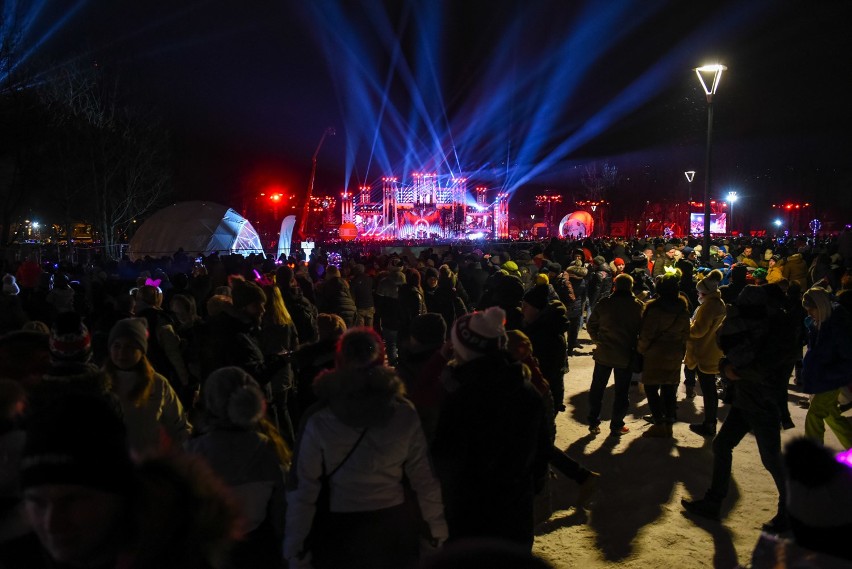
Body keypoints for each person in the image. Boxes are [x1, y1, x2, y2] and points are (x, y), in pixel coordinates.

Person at [285, 327, 447, 569]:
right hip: (393, 524)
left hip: (339, 526)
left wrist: (296, 545)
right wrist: (435, 531)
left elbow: (303, 487)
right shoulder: (402, 412)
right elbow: (424, 478)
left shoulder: (320, 417)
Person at [682, 284, 801, 534]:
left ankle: (791, 512)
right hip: (747, 398)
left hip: (762, 401)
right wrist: (729, 368)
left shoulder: (777, 330)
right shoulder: (769, 325)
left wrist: (731, 370)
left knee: (770, 458)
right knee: (722, 445)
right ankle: (714, 502)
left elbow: (767, 367)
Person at [431, 307, 549, 550]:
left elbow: (446, 462)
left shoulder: (460, 397)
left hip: (469, 517)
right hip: (514, 514)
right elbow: (540, 453)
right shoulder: (526, 391)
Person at [187, 367, 289, 568]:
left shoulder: (194, 451)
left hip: (212, 552)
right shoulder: (269, 448)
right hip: (258, 550)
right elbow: (281, 511)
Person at [104, 317, 192, 454]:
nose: (121, 353)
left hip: (148, 465)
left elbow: (179, 425)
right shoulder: (99, 383)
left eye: (129, 347)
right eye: (117, 346)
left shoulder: (157, 383)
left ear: (142, 351)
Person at [585, 273, 644, 435]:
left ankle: (593, 421)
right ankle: (617, 425)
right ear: (630, 287)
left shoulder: (605, 303)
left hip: (604, 352)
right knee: (621, 392)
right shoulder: (637, 306)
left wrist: (598, 340)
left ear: (615, 286)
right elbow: (642, 331)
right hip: (625, 353)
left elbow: (591, 325)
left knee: (597, 388)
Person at [639, 272, 690, 437]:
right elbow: (685, 334)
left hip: (655, 352)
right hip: (674, 351)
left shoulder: (654, 308)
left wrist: (641, 350)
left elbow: (647, 333)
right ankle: (668, 422)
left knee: (651, 387)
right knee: (669, 388)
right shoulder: (683, 309)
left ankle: (658, 421)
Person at [800, 287, 852, 448]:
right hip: (825, 377)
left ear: (820, 306)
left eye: (811, 309)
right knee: (831, 415)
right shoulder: (821, 323)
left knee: (814, 416)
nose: (809, 314)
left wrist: (832, 374)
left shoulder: (837, 323)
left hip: (832, 379)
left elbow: (847, 356)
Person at [684, 270, 726, 437]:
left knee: (709, 390)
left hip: (704, 352)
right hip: (713, 350)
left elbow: (698, 331)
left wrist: (688, 325)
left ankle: (709, 423)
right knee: (709, 389)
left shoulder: (708, 306)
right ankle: (710, 422)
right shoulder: (719, 303)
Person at [522, 278, 569, 413]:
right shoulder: (535, 328)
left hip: (541, 401)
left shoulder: (547, 337)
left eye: (527, 306)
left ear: (539, 310)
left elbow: (552, 376)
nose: (522, 309)